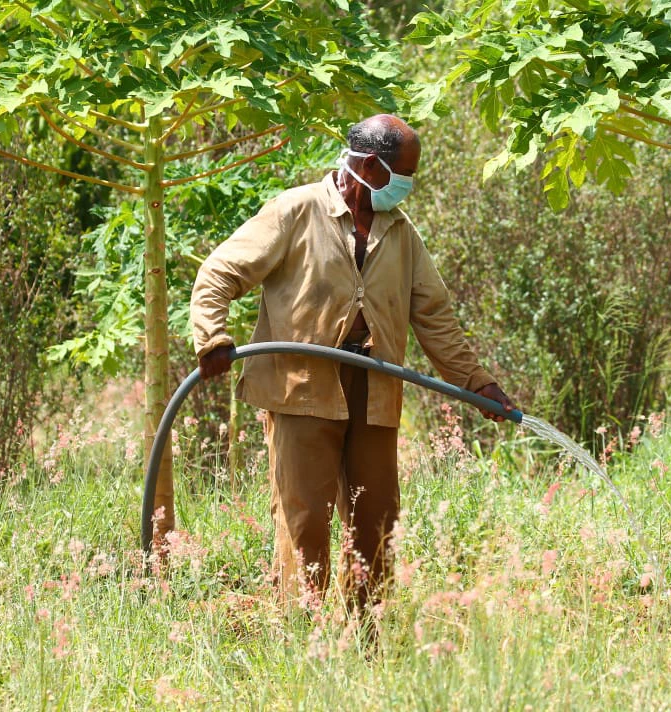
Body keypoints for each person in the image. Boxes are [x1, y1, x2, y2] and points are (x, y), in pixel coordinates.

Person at [190, 114, 514, 611]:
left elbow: (434, 318)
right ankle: (304, 633)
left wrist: (477, 384)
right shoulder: (295, 211)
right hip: (302, 391)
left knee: (377, 523)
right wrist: (212, 338)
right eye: (402, 174)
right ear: (367, 165)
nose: (407, 186)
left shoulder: (400, 233)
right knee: (305, 525)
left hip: (375, 392)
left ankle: (367, 637)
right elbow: (219, 273)